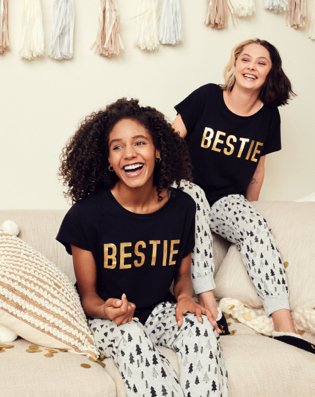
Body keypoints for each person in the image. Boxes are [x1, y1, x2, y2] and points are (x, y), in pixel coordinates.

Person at [56, 98, 228, 397]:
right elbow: (89, 298)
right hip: (109, 322)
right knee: (132, 333)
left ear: (158, 150)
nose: (129, 154)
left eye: (140, 143)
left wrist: (186, 298)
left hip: (159, 312)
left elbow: (182, 277)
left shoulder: (182, 207)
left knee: (199, 326)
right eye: (117, 147)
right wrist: (109, 311)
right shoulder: (85, 216)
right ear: (107, 159)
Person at [172, 38, 315, 354]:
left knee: (255, 224)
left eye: (260, 62)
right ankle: (210, 305)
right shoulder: (207, 96)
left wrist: (248, 211)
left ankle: (284, 325)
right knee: (193, 195)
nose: (251, 66)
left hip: (225, 199)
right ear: (234, 64)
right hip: (185, 190)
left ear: (270, 72)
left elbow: (257, 171)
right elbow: (168, 143)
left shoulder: (269, 116)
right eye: (245, 59)